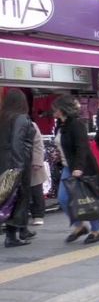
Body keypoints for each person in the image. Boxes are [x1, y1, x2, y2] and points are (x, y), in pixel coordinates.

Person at [53, 95, 99, 245]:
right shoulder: (60, 125)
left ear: (63, 109)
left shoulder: (76, 124)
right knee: (63, 199)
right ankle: (80, 226)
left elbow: (82, 147)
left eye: (56, 108)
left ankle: (95, 231)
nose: (53, 111)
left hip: (81, 167)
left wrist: (79, 168)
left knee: (87, 199)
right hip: (66, 166)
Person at [0, 89, 36, 247]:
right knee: (19, 197)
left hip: (3, 163)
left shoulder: (3, 118)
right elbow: (18, 142)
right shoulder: (21, 118)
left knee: (7, 197)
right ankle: (12, 235)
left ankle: (16, 232)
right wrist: (19, 166)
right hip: (17, 163)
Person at [29, 120, 48, 228]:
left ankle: (38, 215)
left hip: (30, 162)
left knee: (35, 189)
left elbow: (38, 144)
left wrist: (37, 161)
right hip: (13, 161)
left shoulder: (30, 124)